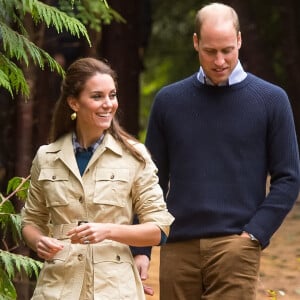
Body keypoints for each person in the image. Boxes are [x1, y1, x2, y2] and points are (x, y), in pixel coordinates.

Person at [135, 2, 300, 300]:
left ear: (239, 40)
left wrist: (254, 234)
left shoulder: (272, 100)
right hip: (177, 247)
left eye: (227, 49)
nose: (220, 60)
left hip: (236, 245)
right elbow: (150, 181)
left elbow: (288, 177)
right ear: (196, 42)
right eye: (210, 51)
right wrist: (141, 248)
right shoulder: (169, 101)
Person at [21, 57, 174, 300]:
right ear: (74, 103)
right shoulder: (47, 156)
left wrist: (108, 230)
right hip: (56, 288)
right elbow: (30, 221)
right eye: (97, 97)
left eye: (112, 95)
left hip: (114, 289)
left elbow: (158, 230)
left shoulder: (134, 156)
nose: (108, 104)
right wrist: (38, 240)